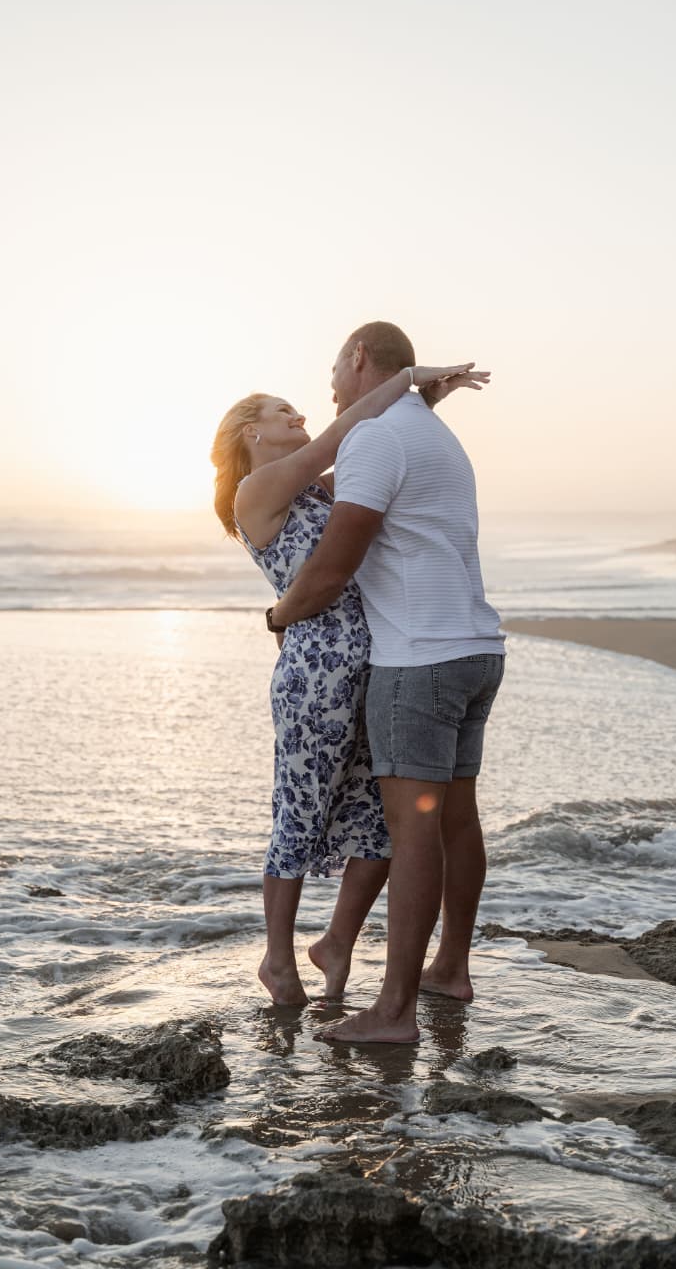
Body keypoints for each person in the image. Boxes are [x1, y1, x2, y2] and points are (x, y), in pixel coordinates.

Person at [210, 360, 478, 1006]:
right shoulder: (258, 490)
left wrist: (423, 407)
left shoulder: (314, 492)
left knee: (385, 827)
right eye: (282, 411)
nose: (299, 416)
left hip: (378, 667)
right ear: (250, 431)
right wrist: (408, 376)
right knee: (297, 817)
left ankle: (336, 942)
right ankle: (277, 960)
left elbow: (371, 452)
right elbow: (343, 433)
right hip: (313, 676)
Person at [268, 321, 502, 1042]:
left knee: (413, 831)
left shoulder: (374, 439)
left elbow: (334, 566)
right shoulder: (430, 436)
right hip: (474, 648)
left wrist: (279, 614)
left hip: (417, 663)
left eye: (334, 368)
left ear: (360, 359)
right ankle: (448, 969)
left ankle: (393, 1011)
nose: (330, 385)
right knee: (455, 820)